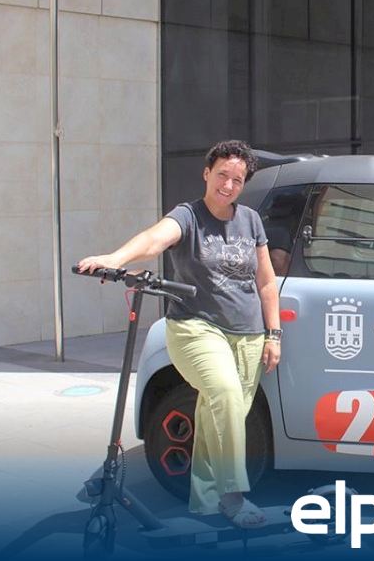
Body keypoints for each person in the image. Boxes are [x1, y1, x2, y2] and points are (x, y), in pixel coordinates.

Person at [76, 140, 282, 529]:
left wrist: (273, 334)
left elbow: (267, 282)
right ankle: (234, 497)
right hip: (196, 326)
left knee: (220, 415)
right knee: (224, 394)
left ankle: (206, 503)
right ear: (207, 173)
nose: (228, 185)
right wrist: (116, 259)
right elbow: (155, 238)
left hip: (249, 334)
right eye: (222, 175)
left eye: (237, 180)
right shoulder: (188, 216)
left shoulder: (251, 221)